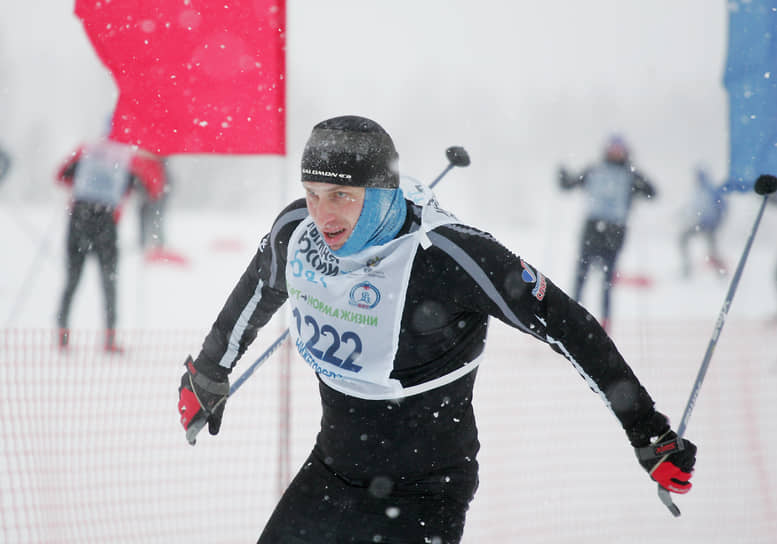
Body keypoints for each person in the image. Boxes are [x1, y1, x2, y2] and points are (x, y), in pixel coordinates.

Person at [177, 116, 695, 543]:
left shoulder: (446, 258)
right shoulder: (298, 232)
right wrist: (209, 374)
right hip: (331, 473)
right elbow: (257, 290)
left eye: (341, 196)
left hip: (425, 492)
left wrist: (647, 432)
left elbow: (568, 325)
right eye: (312, 193)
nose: (323, 214)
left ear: (380, 194)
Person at [56, 137, 163, 352]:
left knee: (72, 279)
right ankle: (110, 338)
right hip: (105, 221)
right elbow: (150, 190)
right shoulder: (127, 158)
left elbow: (62, 175)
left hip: (79, 216)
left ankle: (62, 333)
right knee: (109, 281)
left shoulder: (87, 150)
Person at [558, 135, 658, 332]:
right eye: (613, 148)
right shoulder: (595, 170)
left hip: (614, 232)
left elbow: (652, 193)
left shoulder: (630, 174)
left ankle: (604, 325)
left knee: (607, 282)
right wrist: (562, 176)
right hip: (592, 229)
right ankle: (571, 318)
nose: (615, 152)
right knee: (581, 276)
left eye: (619, 149)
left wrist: (640, 184)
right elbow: (569, 184)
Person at [678, 166, 728, 277]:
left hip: (710, 225)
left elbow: (722, 207)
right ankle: (687, 268)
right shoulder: (698, 190)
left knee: (712, 249)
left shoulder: (711, 190)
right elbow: (693, 207)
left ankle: (720, 272)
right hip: (700, 223)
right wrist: (681, 215)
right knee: (684, 239)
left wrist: (718, 222)